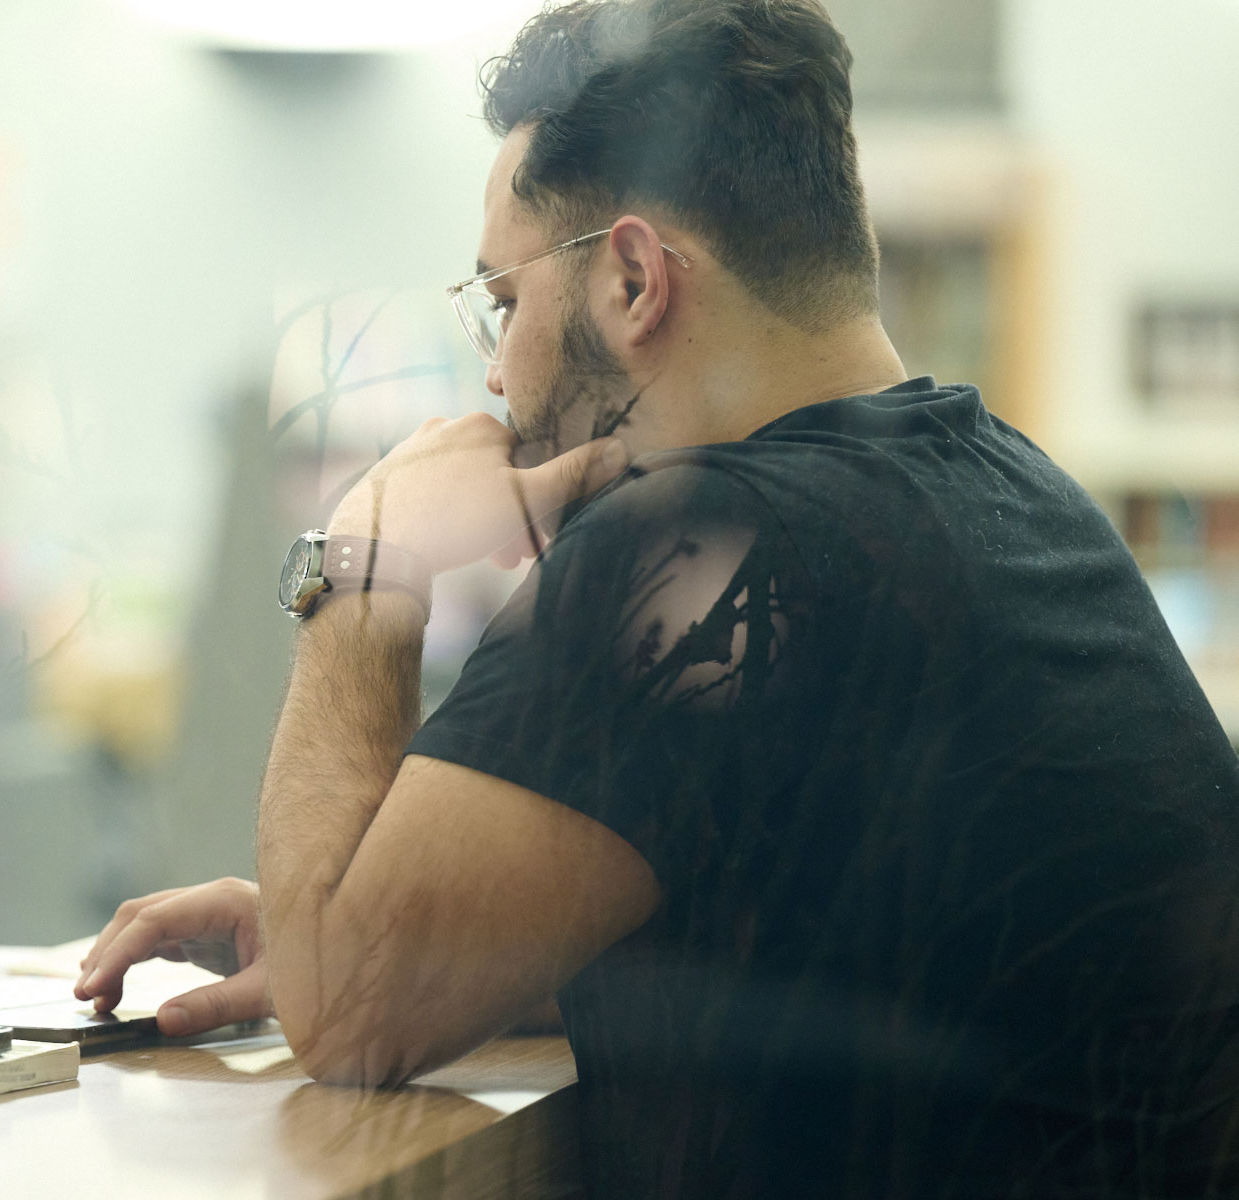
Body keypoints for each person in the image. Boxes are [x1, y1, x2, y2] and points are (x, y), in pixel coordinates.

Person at [76, 0, 1239, 1194]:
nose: (494, 368)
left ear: (633, 280)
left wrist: (366, 565)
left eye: (503, 299)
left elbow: (350, 1016)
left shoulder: (700, 546)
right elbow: (863, 961)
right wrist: (422, 924)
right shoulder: (1011, 496)